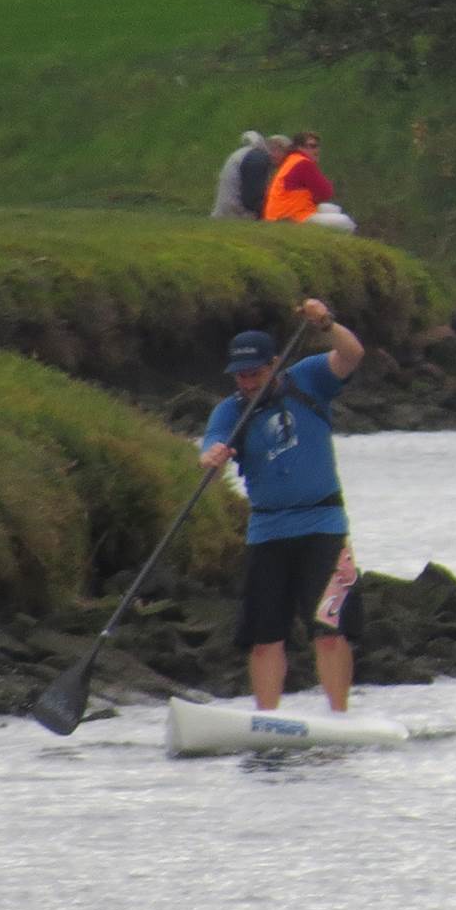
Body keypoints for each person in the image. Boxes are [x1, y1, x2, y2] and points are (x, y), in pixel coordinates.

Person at [198, 298, 366, 713]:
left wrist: (325, 323)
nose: (248, 383)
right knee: (264, 637)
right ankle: (267, 718)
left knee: (329, 628)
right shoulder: (231, 411)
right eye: (240, 377)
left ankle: (339, 715)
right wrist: (212, 458)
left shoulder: (308, 379)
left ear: (273, 364)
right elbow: (209, 449)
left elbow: (352, 354)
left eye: (255, 374)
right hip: (268, 532)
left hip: (324, 526)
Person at [261, 132, 357, 232]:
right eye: (312, 146)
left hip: (280, 215)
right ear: (299, 147)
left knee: (333, 209)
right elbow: (327, 192)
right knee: (345, 222)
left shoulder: (292, 160)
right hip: (289, 218)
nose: (316, 150)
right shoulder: (303, 163)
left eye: (317, 146)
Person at [235, 128, 288, 223]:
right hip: (241, 215)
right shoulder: (260, 164)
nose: (274, 154)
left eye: (279, 150)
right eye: (272, 149)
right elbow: (252, 200)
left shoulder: (275, 171)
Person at [210, 130, 265, 219]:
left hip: (222, 210)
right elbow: (251, 199)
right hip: (237, 213)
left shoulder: (237, 155)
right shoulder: (255, 157)